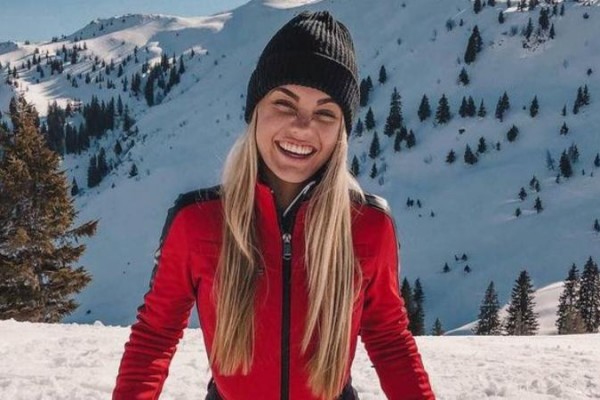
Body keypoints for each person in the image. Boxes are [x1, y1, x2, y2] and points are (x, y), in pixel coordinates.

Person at [113, 10, 434, 400]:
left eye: (325, 113)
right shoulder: (197, 221)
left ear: (341, 132)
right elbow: (155, 335)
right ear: (255, 112)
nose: (302, 126)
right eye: (284, 104)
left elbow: (389, 340)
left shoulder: (367, 225)